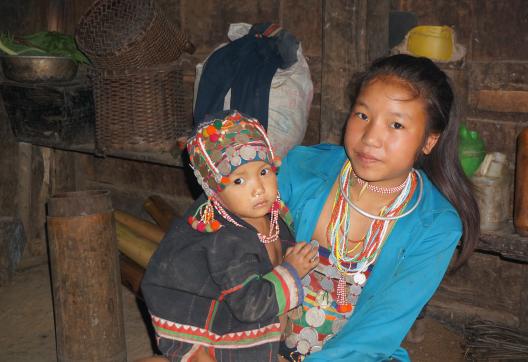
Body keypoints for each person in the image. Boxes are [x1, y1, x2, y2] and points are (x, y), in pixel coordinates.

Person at [277, 54, 480, 361]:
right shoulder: (302, 169)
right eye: (362, 116)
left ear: (428, 141)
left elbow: (374, 335)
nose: (370, 138)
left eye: (396, 124)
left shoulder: (435, 225)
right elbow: (231, 249)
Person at [141, 110, 319, 362]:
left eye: (264, 172)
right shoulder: (225, 240)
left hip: (242, 295)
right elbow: (250, 307)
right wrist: (291, 271)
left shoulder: (272, 212)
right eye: (238, 181)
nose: (258, 188)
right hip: (211, 322)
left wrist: (287, 263)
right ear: (214, 192)